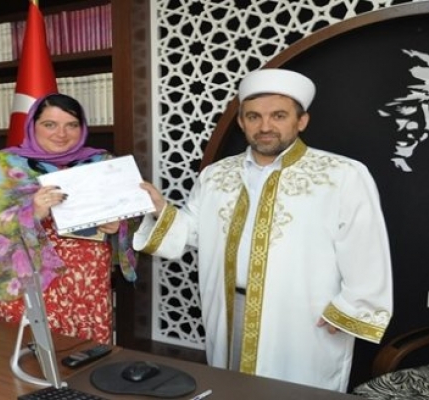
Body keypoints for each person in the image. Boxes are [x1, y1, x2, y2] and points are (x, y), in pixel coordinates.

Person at [134, 68, 393, 392]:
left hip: (302, 318)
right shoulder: (216, 175)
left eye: (278, 116)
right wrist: (161, 210)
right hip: (228, 310)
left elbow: (366, 246)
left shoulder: (342, 174)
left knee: (295, 390)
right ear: (241, 122)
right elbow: (190, 232)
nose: (265, 126)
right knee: (232, 388)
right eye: (254, 116)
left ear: (301, 121)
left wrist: (351, 309)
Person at [0, 93, 137, 344]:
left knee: (85, 353)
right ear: (32, 125)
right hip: (31, 280)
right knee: (32, 352)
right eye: (50, 124)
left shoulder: (101, 163)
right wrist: (33, 212)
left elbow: (132, 213)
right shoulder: (2, 166)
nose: (61, 134)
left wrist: (118, 225)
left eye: (71, 125)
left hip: (87, 278)